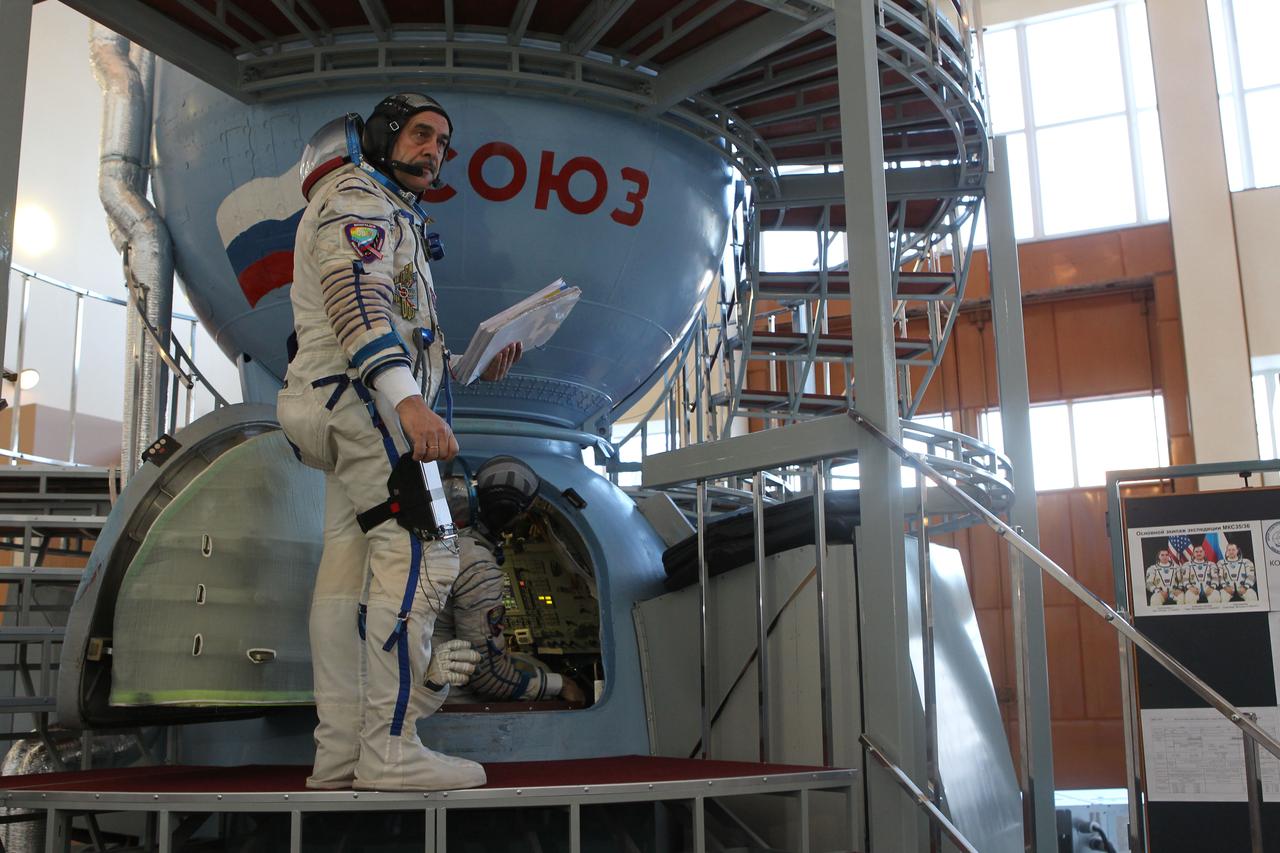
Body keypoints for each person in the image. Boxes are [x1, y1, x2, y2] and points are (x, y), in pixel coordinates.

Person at [277, 93, 521, 792]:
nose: (434, 151)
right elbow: (358, 300)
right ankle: (391, 748)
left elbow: (399, 323)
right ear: (379, 136)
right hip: (364, 401)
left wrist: (474, 362)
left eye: (443, 142)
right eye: (420, 134)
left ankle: (342, 754)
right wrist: (408, 403)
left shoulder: (386, 209)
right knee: (426, 549)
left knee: (348, 572)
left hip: (338, 403)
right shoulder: (359, 198)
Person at [435, 456, 587, 704]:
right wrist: (561, 684)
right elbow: (488, 679)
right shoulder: (478, 566)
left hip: (417, 680)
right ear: (521, 515)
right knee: (542, 675)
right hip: (447, 697)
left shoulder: (445, 545)